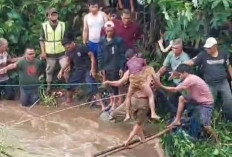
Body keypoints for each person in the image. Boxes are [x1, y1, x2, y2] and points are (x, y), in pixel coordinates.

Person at [155, 64, 219, 142]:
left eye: (180, 75)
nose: (179, 77)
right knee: (182, 98)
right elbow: (179, 85)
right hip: (196, 99)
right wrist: (174, 75)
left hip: (206, 103)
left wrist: (161, 86)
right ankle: (177, 120)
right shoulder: (189, 78)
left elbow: (175, 90)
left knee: (206, 126)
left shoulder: (190, 80)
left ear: (185, 72)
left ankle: (217, 140)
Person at [184, 37, 232, 121]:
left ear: (215, 46)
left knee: (229, 101)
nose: (207, 49)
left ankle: (229, 120)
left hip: (223, 83)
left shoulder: (223, 54)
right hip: (210, 84)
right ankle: (208, 121)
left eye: (209, 48)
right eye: (206, 48)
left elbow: (228, 66)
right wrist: (182, 64)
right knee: (209, 103)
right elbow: (193, 62)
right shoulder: (203, 55)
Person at [104, 70, 156, 146]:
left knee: (138, 123)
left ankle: (128, 141)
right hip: (135, 99)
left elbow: (153, 88)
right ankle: (142, 138)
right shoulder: (130, 72)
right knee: (114, 115)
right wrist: (108, 82)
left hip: (143, 101)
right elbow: (120, 84)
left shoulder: (148, 73)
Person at [57, 38, 105, 109]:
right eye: (66, 48)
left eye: (69, 47)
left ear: (72, 43)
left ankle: (102, 104)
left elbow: (92, 56)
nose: (68, 48)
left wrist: (92, 68)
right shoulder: (69, 51)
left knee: (91, 84)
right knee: (70, 83)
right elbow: (68, 62)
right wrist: (61, 70)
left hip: (87, 69)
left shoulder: (82, 47)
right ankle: (69, 100)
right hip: (78, 70)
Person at [123, 49, 160, 121]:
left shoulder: (128, 63)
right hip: (141, 81)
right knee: (151, 95)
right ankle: (153, 113)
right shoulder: (145, 64)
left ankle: (127, 114)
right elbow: (146, 68)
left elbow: (130, 72)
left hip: (133, 80)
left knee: (128, 97)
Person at [98, 21, 126, 111]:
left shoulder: (118, 40)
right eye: (107, 31)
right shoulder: (102, 40)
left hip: (115, 65)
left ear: (113, 30)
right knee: (108, 85)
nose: (109, 32)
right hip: (106, 65)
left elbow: (122, 55)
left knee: (115, 85)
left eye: (110, 31)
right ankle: (112, 101)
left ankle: (115, 102)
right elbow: (100, 54)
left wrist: (122, 67)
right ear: (105, 31)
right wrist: (100, 67)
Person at [157, 38, 190, 114]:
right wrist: (158, 74)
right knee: (171, 101)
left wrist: (175, 74)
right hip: (175, 82)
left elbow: (186, 74)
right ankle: (173, 116)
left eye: (176, 48)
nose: (173, 50)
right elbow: (164, 67)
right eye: (172, 48)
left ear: (181, 48)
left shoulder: (185, 58)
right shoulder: (171, 54)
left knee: (185, 102)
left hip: (184, 83)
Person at [39, 8, 67, 92]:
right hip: (50, 52)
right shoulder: (44, 25)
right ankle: (49, 87)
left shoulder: (63, 24)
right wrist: (43, 52)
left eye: (55, 14)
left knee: (66, 68)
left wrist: (67, 50)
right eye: (52, 14)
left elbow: (66, 38)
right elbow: (41, 40)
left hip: (62, 51)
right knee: (49, 71)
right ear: (48, 16)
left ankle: (68, 87)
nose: (54, 15)